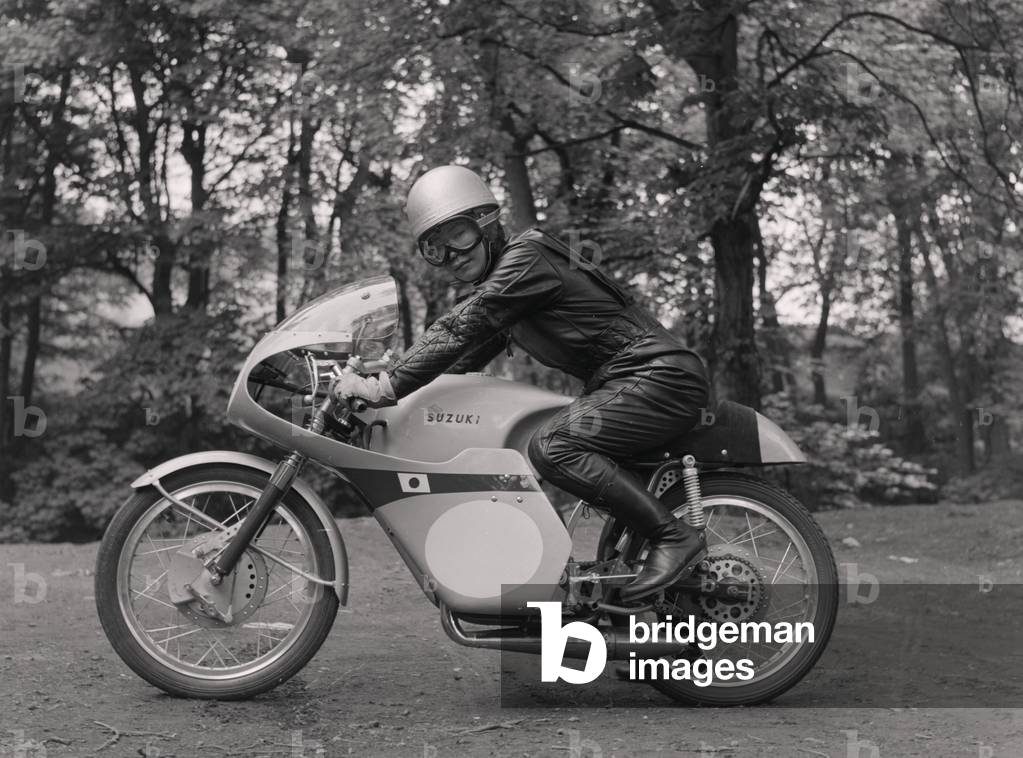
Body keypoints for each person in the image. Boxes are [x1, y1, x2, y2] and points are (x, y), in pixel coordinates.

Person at [331, 165, 710, 602]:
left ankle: (673, 538)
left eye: (458, 234)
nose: (452, 254)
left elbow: (458, 329)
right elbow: (459, 356)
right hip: (632, 382)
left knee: (554, 446)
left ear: (488, 222)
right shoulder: (508, 295)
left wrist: (386, 387)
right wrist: (378, 372)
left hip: (659, 377)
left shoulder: (528, 258)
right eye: (436, 249)